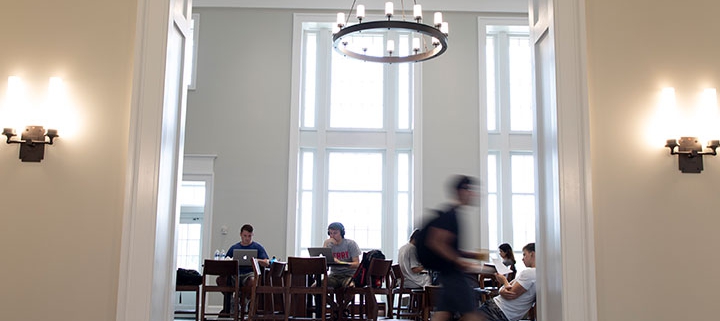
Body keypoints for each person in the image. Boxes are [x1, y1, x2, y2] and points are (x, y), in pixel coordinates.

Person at [423, 175, 487, 321]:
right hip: (453, 275)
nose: (473, 194)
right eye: (470, 189)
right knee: (473, 316)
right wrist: (459, 261)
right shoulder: (450, 215)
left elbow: (449, 247)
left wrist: (472, 256)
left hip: (448, 275)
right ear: (460, 191)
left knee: (442, 314)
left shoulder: (454, 214)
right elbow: (435, 242)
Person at [219, 224, 270, 315]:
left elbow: (267, 262)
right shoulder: (234, 248)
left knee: (253, 281)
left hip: (249, 274)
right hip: (235, 274)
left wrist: (256, 260)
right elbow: (226, 261)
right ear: (241, 235)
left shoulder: (257, 247)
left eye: (249, 236)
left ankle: (245, 301)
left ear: (252, 235)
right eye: (245, 236)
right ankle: (232, 301)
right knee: (221, 280)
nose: (247, 238)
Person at [478, 243, 536, 321]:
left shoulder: (530, 273)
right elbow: (506, 288)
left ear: (532, 254)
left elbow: (510, 294)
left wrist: (503, 281)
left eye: (524, 255)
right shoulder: (534, 274)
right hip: (500, 312)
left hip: (497, 310)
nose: (522, 259)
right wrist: (502, 289)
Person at [322, 222, 361, 288]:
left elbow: (357, 264)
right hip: (334, 276)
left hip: (349, 275)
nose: (332, 236)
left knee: (350, 287)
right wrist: (325, 244)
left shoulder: (350, 244)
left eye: (335, 233)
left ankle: (347, 298)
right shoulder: (329, 246)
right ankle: (329, 299)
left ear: (342, 233)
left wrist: (340, 263)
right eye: (330, 233)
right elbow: (324, 261)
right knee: (317, 286)